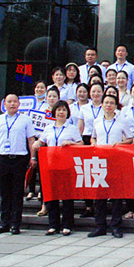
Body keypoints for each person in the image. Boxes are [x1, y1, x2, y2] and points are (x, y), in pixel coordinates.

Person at [0, 94, 38, 235]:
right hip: (2, 158)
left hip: (19, 159)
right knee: (5, 192)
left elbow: (31, 140)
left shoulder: (25, 120)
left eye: (15, 101)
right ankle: (4, 223)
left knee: (17, 192)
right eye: (9, 102)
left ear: (19, 104)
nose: (12, 104)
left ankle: (15, 224)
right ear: (4, 104)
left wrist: (33, 157)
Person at [32, 100, 82, 236]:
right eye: (59, 110)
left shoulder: (72, 129)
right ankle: (53, 225)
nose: (61, 112)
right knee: (51, 196)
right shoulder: (48, 128)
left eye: (64, 110)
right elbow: (41, 141)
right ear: (54, 112)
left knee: (67, 197)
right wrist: (37, 143)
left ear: (67, 113)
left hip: (66, 166)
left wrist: (71, 143)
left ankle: (67, 225)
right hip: (50, 165)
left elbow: (81, 144)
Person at [89, 94, 133, 238]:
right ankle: (100, 226)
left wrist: (120, 144)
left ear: (116, 106)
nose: (108, 105)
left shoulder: (122, 121)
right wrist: (94, 143)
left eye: (111, 103)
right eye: (106, 103)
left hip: (116, 160)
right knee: (99, 195)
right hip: (100, 161)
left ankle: (116, 226)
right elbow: (93, 137)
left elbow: (130, 139)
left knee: (116, 195)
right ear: (102, 105)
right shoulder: (97, 121)